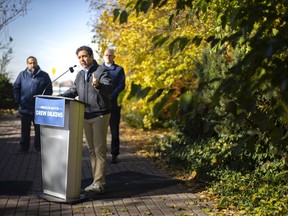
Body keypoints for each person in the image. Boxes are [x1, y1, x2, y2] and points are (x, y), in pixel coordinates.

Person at [60, 45, 112, 194]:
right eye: (79, 57)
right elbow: (73, 91)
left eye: (84, 56)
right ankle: (96, 180)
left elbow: (109, 87)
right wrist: (57, 98)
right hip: (85, 115)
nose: (82, 59)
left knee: (99, 149)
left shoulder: (101, 70)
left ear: (91, 56)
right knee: (91, 150)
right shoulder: (79, 75)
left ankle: (99, 182)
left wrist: (98, 85)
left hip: (100, 114)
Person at [13, 56, 53, 154]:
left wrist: (43, 102)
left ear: (37, 63)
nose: (32, 65)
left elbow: (49, 90)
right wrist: (19, 100)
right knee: (24, 130)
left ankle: (39, 148)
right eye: (30, 63)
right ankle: (24, 148)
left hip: (39, 109)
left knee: (39, 131)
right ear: (27, 64)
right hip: (25, 108)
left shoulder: (44, 75)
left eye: (34, 63)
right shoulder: (22, 75)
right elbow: (16, 88)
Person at [101, 48, 125, 164]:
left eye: (110, 55)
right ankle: (101, 154)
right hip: (100, 105)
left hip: (114, 104)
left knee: (114, 130)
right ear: (103, 56)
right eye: (106, 55)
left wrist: (111, 95)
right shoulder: (98, 69)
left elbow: (121, 85)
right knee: (101, 130)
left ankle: (114, 155)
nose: (108, 57)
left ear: (114, 57)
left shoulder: (119, 70)